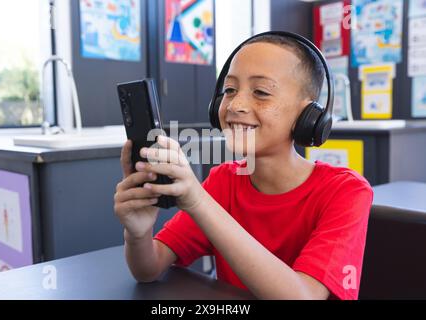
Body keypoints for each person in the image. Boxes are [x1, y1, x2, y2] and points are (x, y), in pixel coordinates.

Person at [113, 33, 373, 300]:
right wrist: (138, 233)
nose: (235, 105)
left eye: (261, 92)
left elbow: (302, 297)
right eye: (229, 90)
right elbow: (148, 268)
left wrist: (198, 201)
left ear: (309, 117)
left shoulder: (346, 191)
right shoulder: (224, 181)